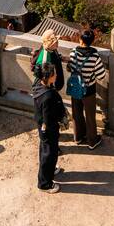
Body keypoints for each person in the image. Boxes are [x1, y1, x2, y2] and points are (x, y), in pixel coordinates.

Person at [67, 28, 107, 149]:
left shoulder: (73, 52)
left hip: (75, 88)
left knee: (76, 113)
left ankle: (78, 137)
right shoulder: (94, 56)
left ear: (80, 39)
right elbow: (101, 75)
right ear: (92, 41)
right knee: (90, 116)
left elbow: (70, 67)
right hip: (88, 90)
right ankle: (92, 141)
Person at [32, 61, 67, 194]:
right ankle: (45, 183)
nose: (56, 75)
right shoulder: (48, 96)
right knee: (49, 154)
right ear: (49, 77)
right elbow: (48, 118)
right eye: (55, 73)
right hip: (48, 129)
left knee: (45, 151)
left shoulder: (37, 86)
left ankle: (49, 171)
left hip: (42, 127)